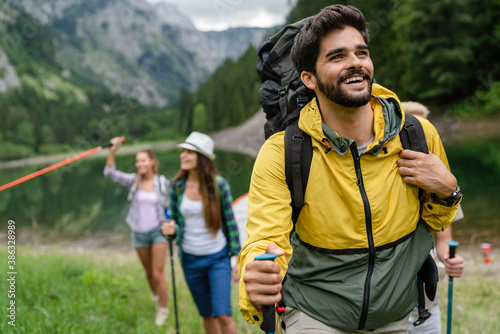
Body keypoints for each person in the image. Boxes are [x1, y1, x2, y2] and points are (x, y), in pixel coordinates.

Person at [238, 5, 462, 334]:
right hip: (315, 315)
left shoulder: (415, 134)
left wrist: (449, 191)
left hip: (395, 315)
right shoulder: (282, 153)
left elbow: (435, 222)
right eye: (337, 56)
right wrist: (255, 272)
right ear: (309, 78)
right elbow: (265, 239)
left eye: (361, 52)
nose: (355, 62)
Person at [161, 131, 240, 334]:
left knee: (223, 314)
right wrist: (169, 229)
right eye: (183, 151)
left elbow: (230, 224)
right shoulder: (176, 187)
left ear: (202, 158)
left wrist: (237, 258)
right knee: (206, 314)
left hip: (217, 259)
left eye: (189, 152)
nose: (183, 155)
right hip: (190, 260)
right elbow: (176, 224)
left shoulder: (218, 185)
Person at [402, 101, 465, 334]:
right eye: (410, 128)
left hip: (426, 298)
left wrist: (451, 260)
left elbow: (443, 240)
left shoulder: (443, 185)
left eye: (424, 128)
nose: (417, 137)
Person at [103, 137, 170, 326]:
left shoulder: (162, 183)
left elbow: (169, 206)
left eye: (143, 160)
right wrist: (112, 150)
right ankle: (157, 297)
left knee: (158, 273)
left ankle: (163, 309)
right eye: (137, 161)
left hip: (158, 232)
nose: (139, 164)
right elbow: (109, 172)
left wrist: (170, 223)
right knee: (148, 272)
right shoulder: (134, 181)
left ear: (152, 162)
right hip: (138, 233)